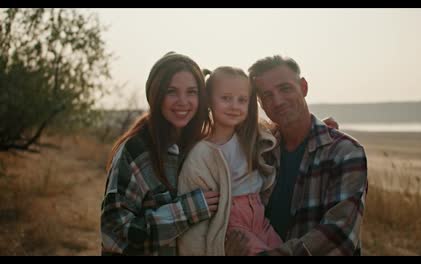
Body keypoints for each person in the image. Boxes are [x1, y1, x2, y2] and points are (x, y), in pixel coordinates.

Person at [243, 55, 368, 256]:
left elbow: (338, 234)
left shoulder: (345, 152)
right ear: (261, 104)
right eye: (267, 95)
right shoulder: (261, 151)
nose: (278, 101)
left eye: (285, 88)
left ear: (304, 87)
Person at [100, 52, 220, 256]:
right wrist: (186, 211)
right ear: (156, 96)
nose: (183, 101)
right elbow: (114, 234)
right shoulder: (136, 151)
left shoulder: (201, 149)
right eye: (171, 91)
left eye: (191, 92)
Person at [176, 66, 283, 256]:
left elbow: (285, 130)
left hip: (260, 219)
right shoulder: (201, 153)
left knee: (284, 250)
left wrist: (324, 126)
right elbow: (195, 224)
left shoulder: (251, 137)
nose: (235, 106)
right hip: (232, 222)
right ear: (208, 100)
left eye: (242, 100)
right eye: (226, 98)